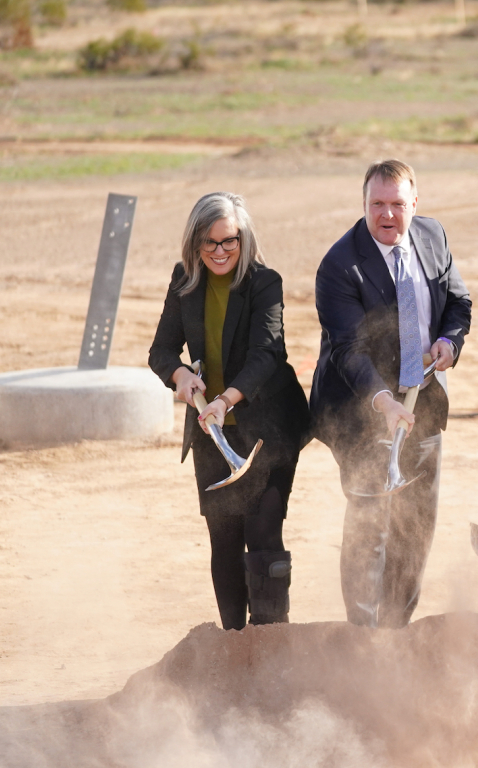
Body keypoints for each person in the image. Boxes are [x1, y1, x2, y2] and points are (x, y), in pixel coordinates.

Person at [310, 158, 472, 628]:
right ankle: (363, 636)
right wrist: (382, 401)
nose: (386, 215)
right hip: (362, 406)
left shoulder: (432, 236)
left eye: (397, 204)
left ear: (414, 204)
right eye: (376, 204)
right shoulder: (340, 265)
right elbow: (348, 351)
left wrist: (449, 342)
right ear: (363, 204)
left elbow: (457, 301)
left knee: (416, 524)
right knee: (371, 519)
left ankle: (395, 630)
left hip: (425, 401)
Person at [149, 192, 311, 630]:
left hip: (269, 429)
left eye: (230, 241)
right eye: (210, 242)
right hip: (212, 434)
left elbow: (267, 354)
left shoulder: (265, 282)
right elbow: (161, 350)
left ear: (244, 238)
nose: (220, 251)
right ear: (195, 242)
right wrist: (180, 376)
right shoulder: (184, 282)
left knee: (261, 536)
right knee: (223, 542)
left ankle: (271, 644)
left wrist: (224, 400)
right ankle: (235, 645)